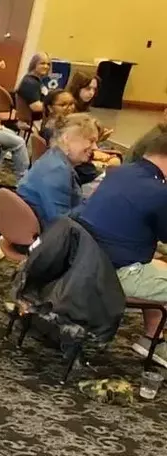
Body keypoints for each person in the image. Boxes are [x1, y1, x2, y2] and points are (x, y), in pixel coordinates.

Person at [76, 130, 167, 365]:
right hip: (117, 272)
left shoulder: (121, 172)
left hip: (86, 259)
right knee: (153, 267)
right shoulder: (159, 192)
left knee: (154, 265)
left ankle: (151, 341)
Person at [17, 113, 98, 229]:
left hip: (34, 228)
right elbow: (61, 224)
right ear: (66, 138)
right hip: (44, 238)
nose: (95, 147)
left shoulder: (54, 157)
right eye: (91, 141)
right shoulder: (57, 171)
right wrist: (92, 201)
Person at [16, 52, 51, 123]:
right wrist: (54, 107)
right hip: (33, 121)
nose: (46, 66)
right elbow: (36, 107)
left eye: (48, 64)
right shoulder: (30, 82)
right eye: (42, 63)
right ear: (34, 64)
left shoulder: (37, 80)